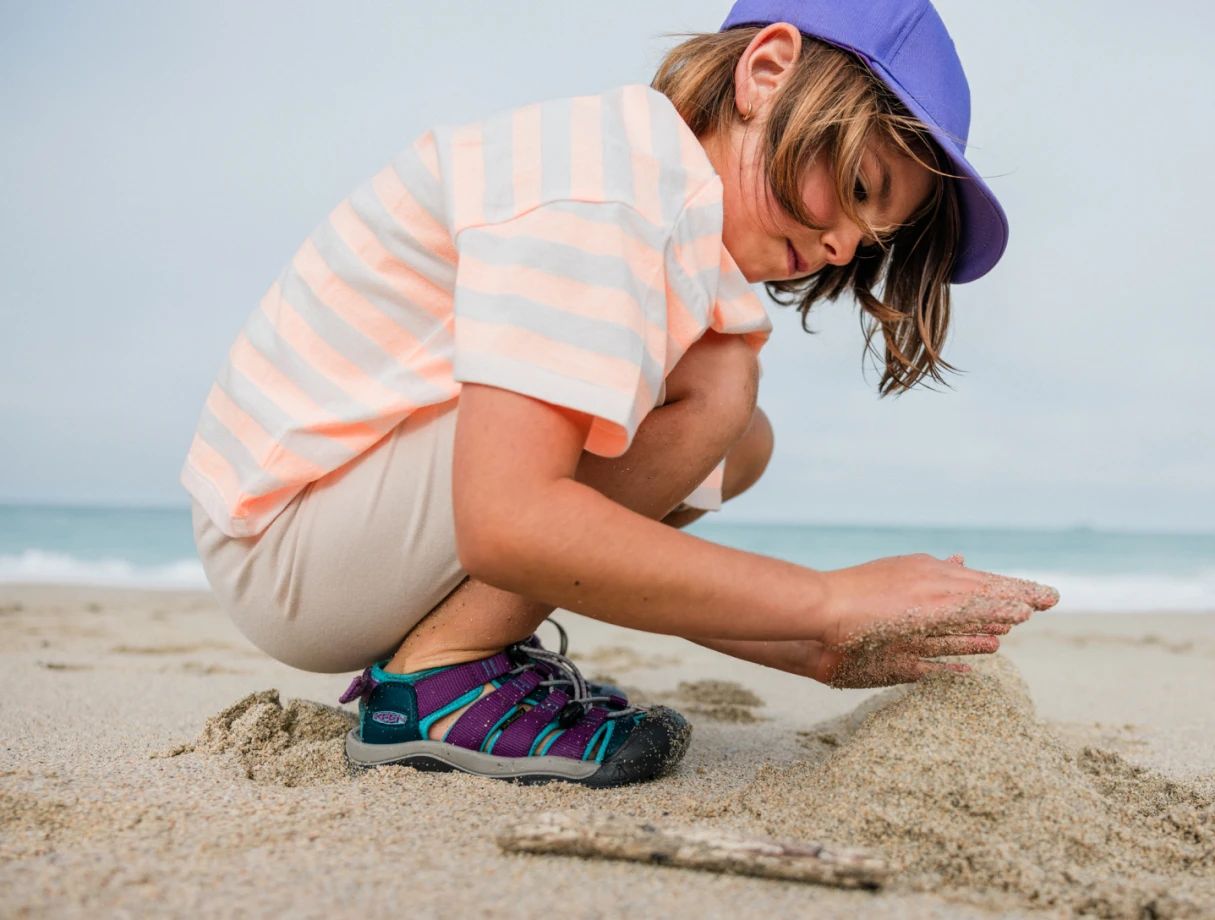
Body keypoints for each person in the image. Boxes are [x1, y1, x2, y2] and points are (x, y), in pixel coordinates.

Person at [183, 0, 1058, 788]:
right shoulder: (605, 182)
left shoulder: (651, 209)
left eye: (872, 238)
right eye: (860, 188)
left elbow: (596, 535)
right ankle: (438, 678)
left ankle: (449, 654)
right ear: (766, 71)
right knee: (717, 384)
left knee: (740, 435)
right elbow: (511, 524)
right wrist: (827, 600)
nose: (842, 249)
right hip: (289, 537)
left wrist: (814, 648)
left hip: (331, 540)